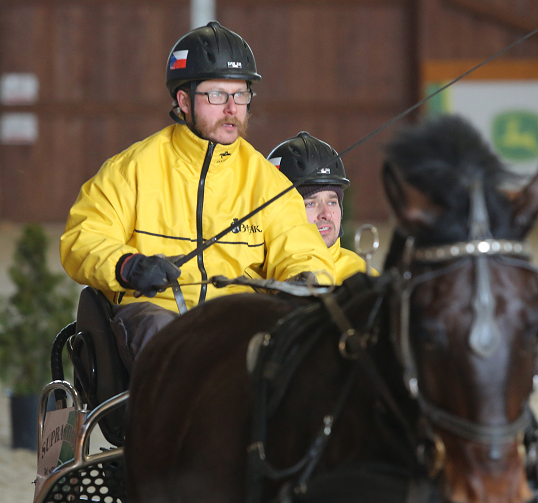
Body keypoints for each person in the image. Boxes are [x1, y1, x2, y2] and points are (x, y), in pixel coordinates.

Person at [60, 22, 334, 367]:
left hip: (241, 320)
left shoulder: (270, 183)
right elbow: (82, 239)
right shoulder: (131, 169)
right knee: (165, 339)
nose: (232, 108)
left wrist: (306, 280)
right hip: (155, 315)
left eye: (241, 95)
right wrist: (127, 265)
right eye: (217, 95)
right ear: (184, 100)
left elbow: (303, 251)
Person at [267, 132, 377, 283]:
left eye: (332, 202)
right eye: (310, 204)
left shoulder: (364, 276)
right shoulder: (251, 274)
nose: (326, 214)